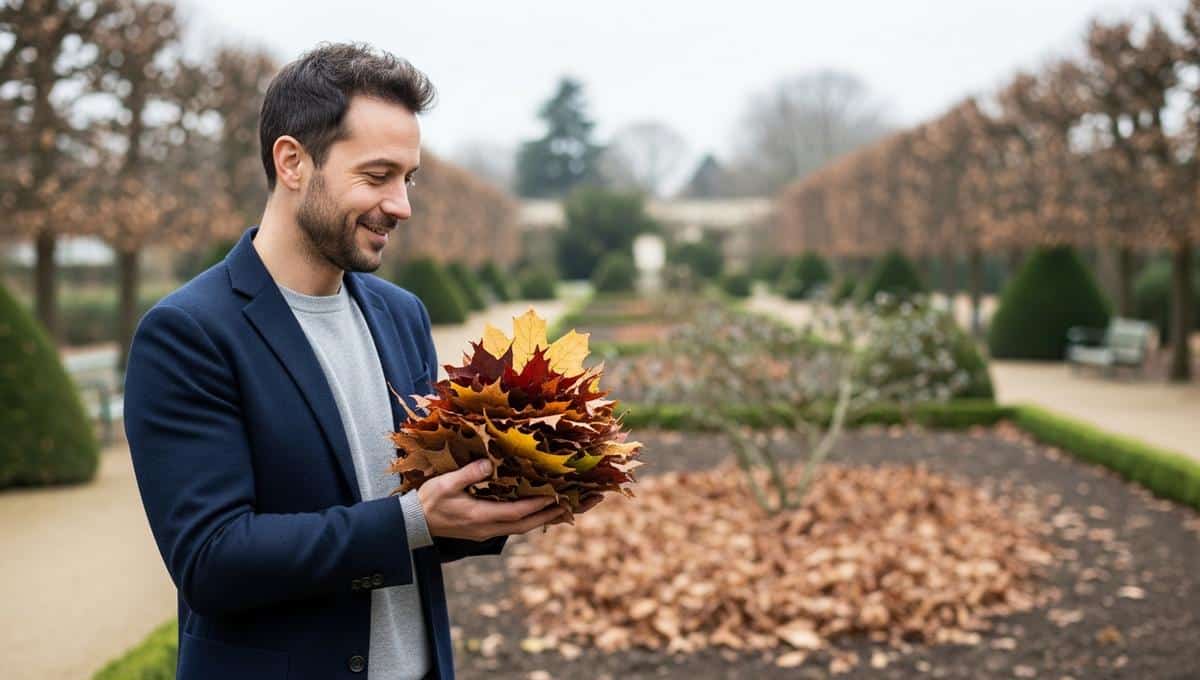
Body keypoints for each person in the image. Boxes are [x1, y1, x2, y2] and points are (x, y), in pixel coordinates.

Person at [123, 42, 569, 680]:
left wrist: (498, 503)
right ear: (293, 162)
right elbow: (211, 561)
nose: (402, 205)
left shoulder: (402, 313)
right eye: (377, 175)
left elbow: (408, 514)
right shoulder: (188, 334)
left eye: (407, 178)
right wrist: (414, 519)